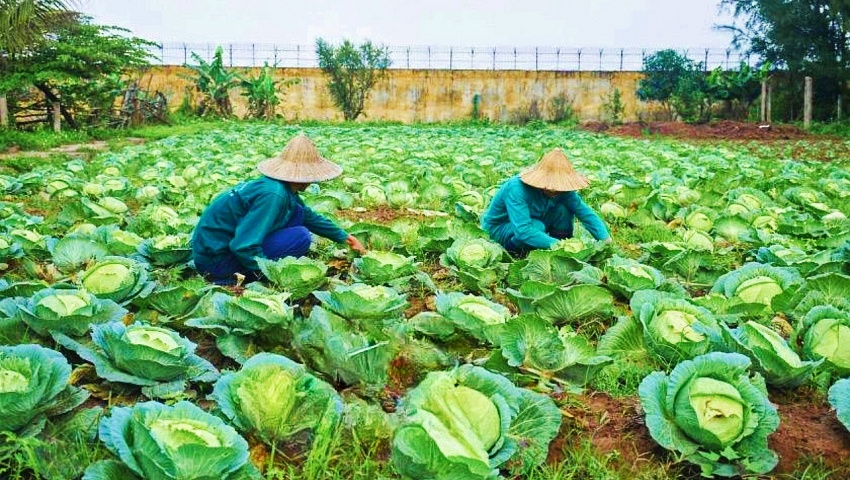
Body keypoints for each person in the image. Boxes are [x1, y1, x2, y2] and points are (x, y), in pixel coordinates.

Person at [191, 134, 367, 284]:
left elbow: (307, 216)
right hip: (216, 263)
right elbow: (243, 246)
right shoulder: (273, 195)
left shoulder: (279, 187)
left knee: (297, 213)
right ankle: (246, 275)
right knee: (301, 237)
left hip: (215, 251)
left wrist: (345, 237)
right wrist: (273, 275)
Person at [481, 147, 611, 254]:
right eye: (549, 185)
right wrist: (558, 245)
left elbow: (585, 213)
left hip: (535, 220)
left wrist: (605, 239)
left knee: (563, 210)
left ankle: (558, 253)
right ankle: (514, 252)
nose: (554, 190)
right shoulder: (516, 189)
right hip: (502, 226)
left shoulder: (562, 190)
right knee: (537, 226)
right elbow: (523, 230)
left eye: (558, 185)